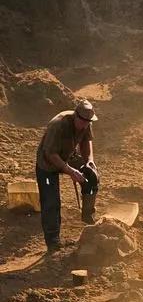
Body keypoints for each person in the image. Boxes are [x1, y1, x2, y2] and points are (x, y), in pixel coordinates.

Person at [35, 99, 101, 252]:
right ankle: (53, 241)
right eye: (83, 121)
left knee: (91, 176)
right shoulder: (57, 125)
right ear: (75, 116)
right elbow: (51, 154)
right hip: (48, 163)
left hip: (68, 155)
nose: (85, 125)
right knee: (51, 201)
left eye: (88, 122)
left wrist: (89, 161)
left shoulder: (86, 124)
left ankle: (87, 215)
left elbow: (86, 142)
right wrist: (71, 171)